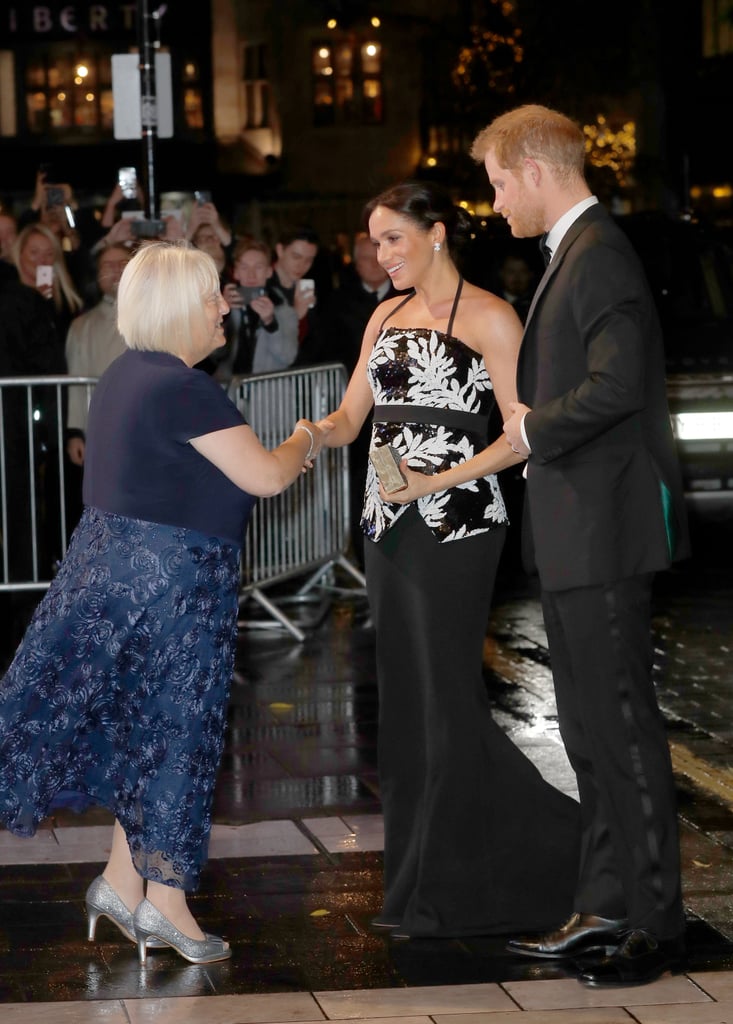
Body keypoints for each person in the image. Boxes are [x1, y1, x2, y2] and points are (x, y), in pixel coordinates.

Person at [0, 240, 327, 965]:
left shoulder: (125, 375)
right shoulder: (184, 387)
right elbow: (268, 477)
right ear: (182, 305)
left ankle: (123, 883)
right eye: (213, 295)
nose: (223, 307)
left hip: (118, 582)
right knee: (178, 740)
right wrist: (309, 433)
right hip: (175, 595)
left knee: (139, 737)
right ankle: (168, 905)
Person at [317, 180, 581, 940]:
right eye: (374, 243)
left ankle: (545, 859)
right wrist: (313, 436)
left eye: (392, 239)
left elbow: (520, 432)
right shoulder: (382, 316)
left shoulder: (493, 317)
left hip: (461, 527)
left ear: (435, 233)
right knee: (404, 709)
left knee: (445, 703)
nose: (381, 255)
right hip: (387, 529)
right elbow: (348, 415)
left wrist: (436, 479)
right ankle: (415, 893)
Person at [470, 103, 691, 987]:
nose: (493, 207)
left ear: (532, 169)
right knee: (591, 732)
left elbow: (617, 386)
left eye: (494, 185)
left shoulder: (597, 254)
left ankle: (655, 921)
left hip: (601, 534)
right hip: (578, 533)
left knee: (620, 731)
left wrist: (529, 430)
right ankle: (606, 905)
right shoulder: (578, 251)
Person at [311, 232, 398, 565]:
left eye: (377, 253)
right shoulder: (337, 300)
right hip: (355, 409)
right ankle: (366, 555)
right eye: (364, 257)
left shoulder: (407, 295)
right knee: (359, 477)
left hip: (390, 411)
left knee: (391, 471)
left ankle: (393, 544)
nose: (373, 263)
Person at [215, 237, 299, 380]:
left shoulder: (284, 311)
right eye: (244, 267)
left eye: (258, 267)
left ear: (269, 272)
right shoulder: (227, 306)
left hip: (268, 395)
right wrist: (222, 314)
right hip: (230, 394)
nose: (251, 274)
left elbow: (288, 357)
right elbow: (215, 354)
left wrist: (270, 323)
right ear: (235, 272)